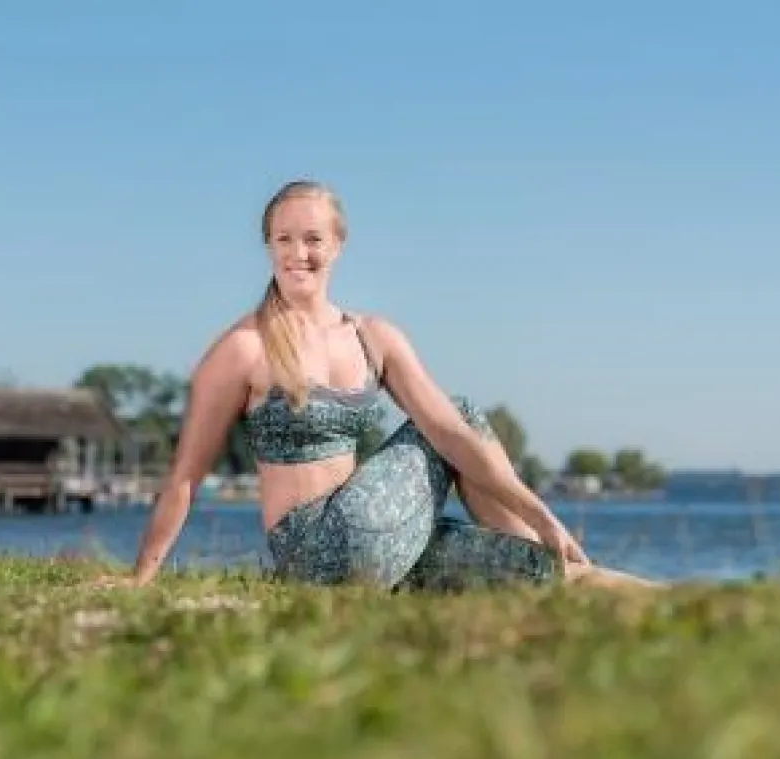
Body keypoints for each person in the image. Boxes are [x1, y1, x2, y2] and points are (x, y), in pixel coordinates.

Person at [103, 179, 658, 592]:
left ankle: (663, 597)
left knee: (553, 577)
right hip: (319, 547)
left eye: (313, 239)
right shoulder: (244, 347)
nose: (298, 253)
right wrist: (142, 575)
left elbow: (452, 440)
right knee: (458, 415)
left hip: (380, 540)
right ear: (268, 246)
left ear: (338, 245)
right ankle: (539, 537)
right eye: (284, 239)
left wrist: (541, 520)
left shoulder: (373, 337)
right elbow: (185, 476)